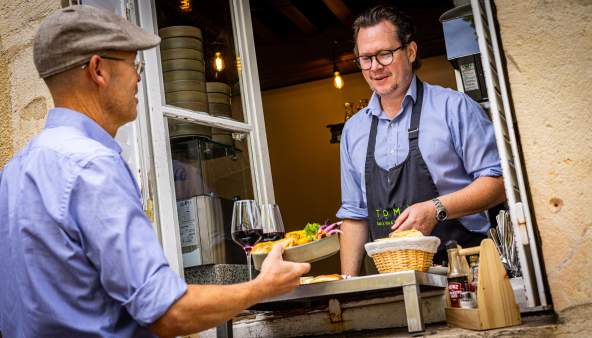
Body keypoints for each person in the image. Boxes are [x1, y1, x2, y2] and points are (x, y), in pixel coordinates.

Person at [0, 5, 309, 337]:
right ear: (98, 70)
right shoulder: (93, 166)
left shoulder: (14, 172)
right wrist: (263, 286)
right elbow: (167, 312)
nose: (138, 77)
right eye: (134, 64)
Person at [336, 5, 506, 276]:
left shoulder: (455, 107)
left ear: (411, 51)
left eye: (385, 54)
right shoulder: (353, 131)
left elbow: (499, 184)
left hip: (464, 271)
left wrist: (436, 208)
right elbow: (355, 215)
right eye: (366, 58)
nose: (375, 67)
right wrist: (347, 286)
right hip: (394, 280)